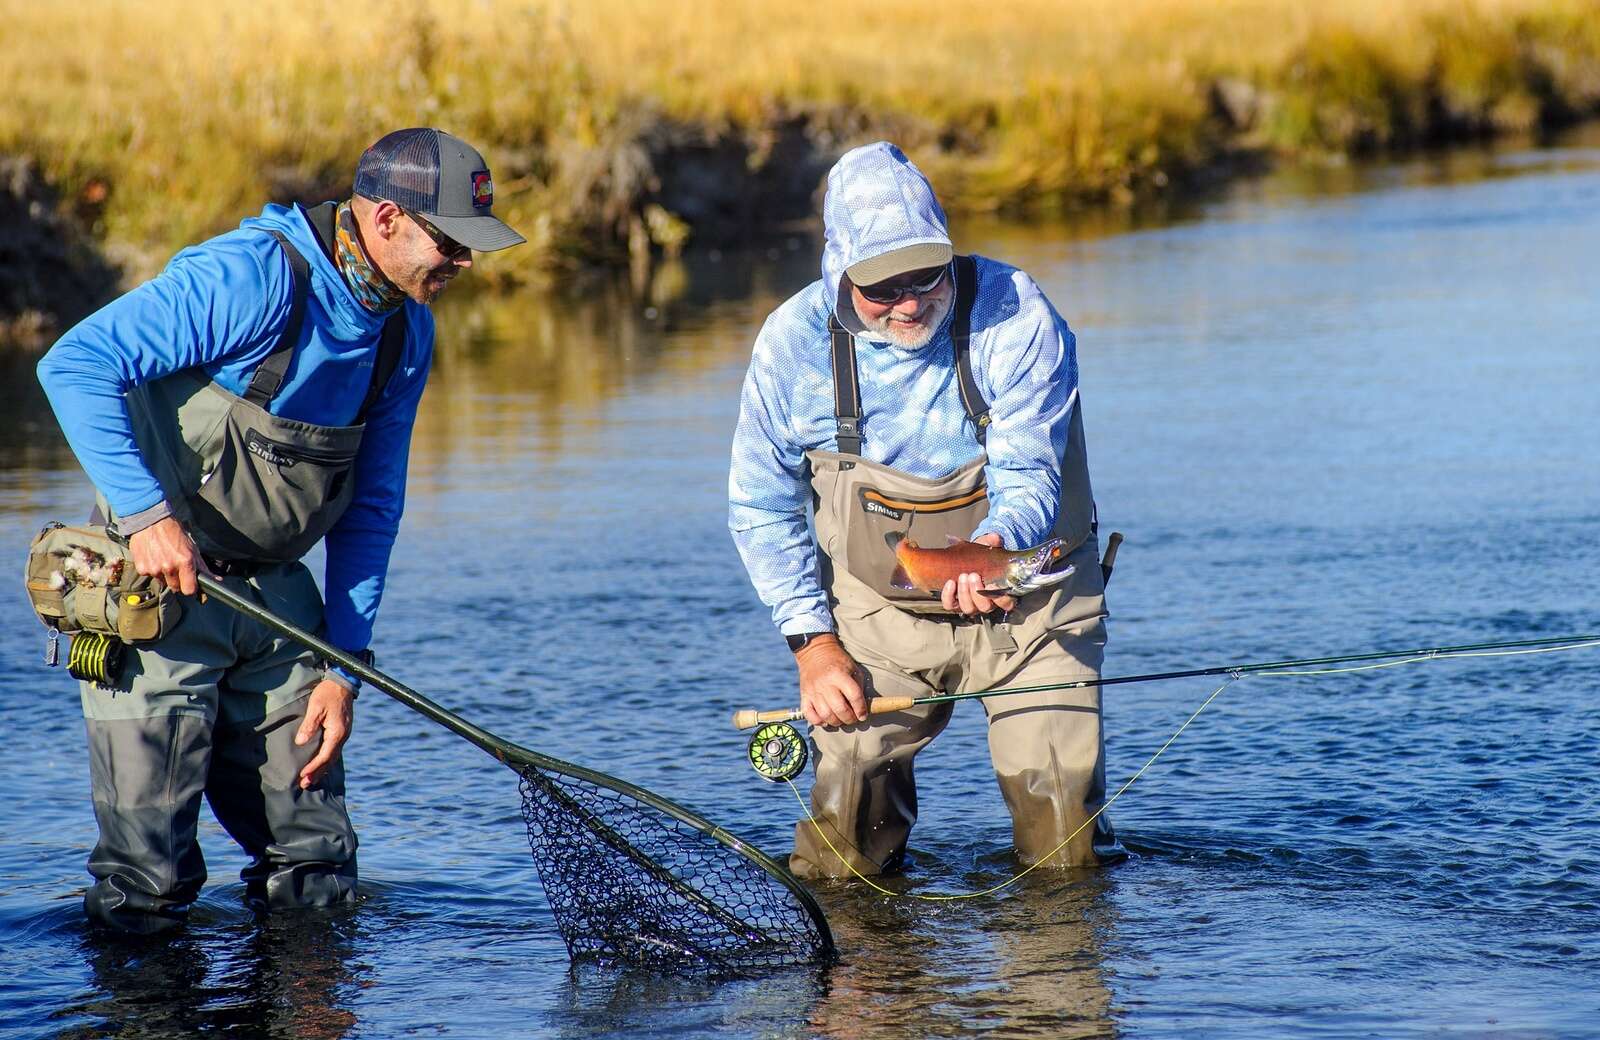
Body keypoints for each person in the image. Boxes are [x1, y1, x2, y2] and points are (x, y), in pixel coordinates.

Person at [36, 127, 525, 933]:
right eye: (452, 243)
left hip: (279, 613)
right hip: (155, 597)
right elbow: (75, 363)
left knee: (318, 870)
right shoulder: (251, 280)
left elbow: (373, 507)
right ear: (387, 219)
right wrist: (148, 516)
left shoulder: (406, 330)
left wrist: (346, 666)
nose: (466, 264)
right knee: (147, 885)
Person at [728, 141, 1119, 878]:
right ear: (840, 271)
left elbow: (1029, 466)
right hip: (879, 623)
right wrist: (813, 646)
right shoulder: (793, 348)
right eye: (884, 288)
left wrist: (999, 546)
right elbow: (759, 505)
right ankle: (863, 989)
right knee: (841, 857)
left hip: (1033, 601)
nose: (911, 302)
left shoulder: (1017, 312)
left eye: (927, 277)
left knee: (1065, 853)